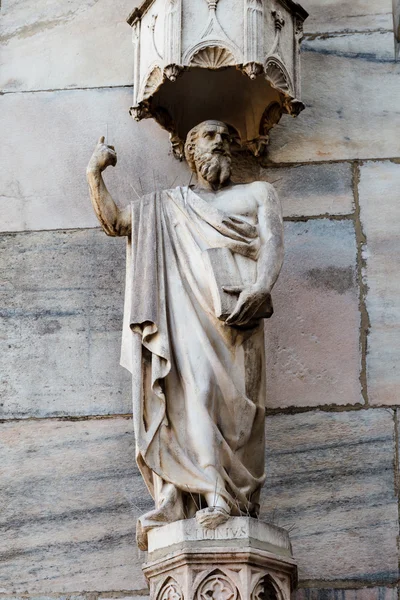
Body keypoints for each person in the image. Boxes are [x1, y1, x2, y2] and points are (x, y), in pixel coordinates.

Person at [87, 120, 284, 550]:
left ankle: (234, 496)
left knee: (237, 408)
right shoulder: (166, 206)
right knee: (196, 387)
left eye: (225, 136)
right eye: (211, 136)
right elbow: (118, 222)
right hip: (186, 317)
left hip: (238, 316)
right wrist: (94, 174)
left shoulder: (257, 194)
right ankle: (209, 492)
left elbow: (271, 244)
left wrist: (262, 287)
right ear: (191, 150)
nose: (221, 142)